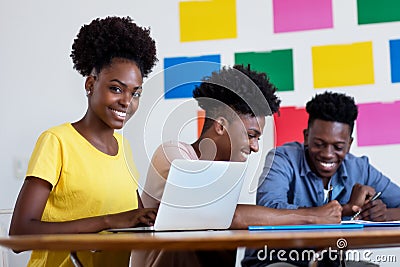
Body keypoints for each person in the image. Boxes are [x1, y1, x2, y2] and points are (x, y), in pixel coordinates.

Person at [131, 65, 343, 267]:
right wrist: (313, 217)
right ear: (221, 125)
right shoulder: (173, 155)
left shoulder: (222, 174)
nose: (255, 147)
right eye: (251, 136)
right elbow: (226, 216)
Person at [9, 16, 158, 267]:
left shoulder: (124, 150)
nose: (127, 102)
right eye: (117, 89)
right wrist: (107, 221)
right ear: (91, 84)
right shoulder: (57, 141)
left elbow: (133, 221)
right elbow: (20, 235)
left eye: (136, 93)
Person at [242, 91, 400, 267]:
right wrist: (343, 210)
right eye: (319, 144)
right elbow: (268, 210)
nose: (327, 154)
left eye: (338, 146)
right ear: (306, 136)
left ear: (349, 143)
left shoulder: (359, 168)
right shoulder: (282, 158)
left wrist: (385, 215)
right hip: (274, 259)